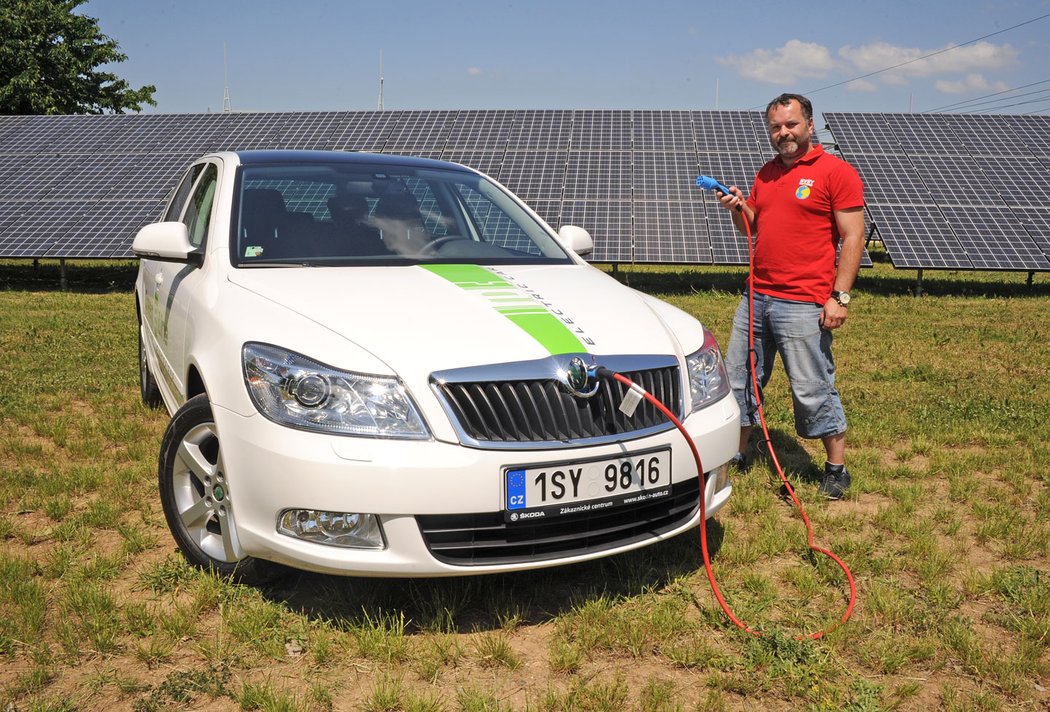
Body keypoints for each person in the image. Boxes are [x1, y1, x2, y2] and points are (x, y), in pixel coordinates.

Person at [714, 93, 865, 500]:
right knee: (741, 379)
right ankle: (740, 451)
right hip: (756, 297)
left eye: (791, 125)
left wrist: (841, 297)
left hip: (803, 301)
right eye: (776, 127)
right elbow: (754, 228)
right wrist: (737, 207)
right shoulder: (765, 174)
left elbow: (854, 236)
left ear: (810, 125)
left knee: (812, 385)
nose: (784, 133)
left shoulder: (836, 172)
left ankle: (836, 468)